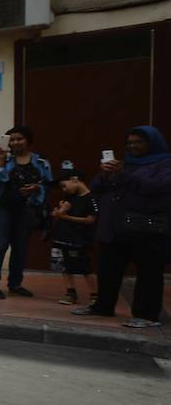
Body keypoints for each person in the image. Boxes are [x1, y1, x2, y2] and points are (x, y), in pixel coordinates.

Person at [74, 126, 171, 328]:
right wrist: (104, 175)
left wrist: (123, 174)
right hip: (114, 226)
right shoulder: (125, 164)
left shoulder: (164, 164)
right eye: (129, 143)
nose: (132, 146)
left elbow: (156, 187)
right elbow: (96, 188)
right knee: (108, 268)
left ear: (152, 143)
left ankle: (147, 315)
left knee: (148, 272)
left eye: (138, 142)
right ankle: (103, 306)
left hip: (147, 228)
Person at [0, 125, 52, 300]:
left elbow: (48, 182)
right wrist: (0, 159)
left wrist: (36, 188)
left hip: (25, 209)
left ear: (28, 140)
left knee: (20, 247)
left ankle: (15, 283)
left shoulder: (40, 161)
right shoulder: (3, 158)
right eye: (12, 139)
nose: (15, 142)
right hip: (1, 208)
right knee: (0, 244)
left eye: (19, 138)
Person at [49, 166, 97, 306]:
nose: (64, 190)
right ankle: (70, 292)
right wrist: (58, 213)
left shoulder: (90, 198)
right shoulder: (70, 198)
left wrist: (66, 217)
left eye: (64, 186)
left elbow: (90, 219)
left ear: (74, 180)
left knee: (84, 267)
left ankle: (94, 294)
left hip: (78, 239)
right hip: (61, 236)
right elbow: (62, 211)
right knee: (63, 265)